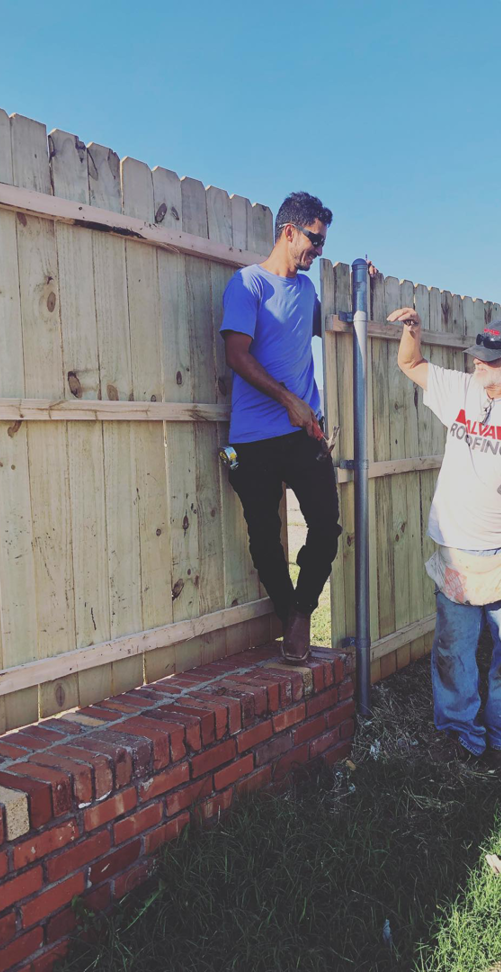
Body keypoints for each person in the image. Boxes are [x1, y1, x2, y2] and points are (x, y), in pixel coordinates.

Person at [390, 309, 501, 769]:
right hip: (458, 546)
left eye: (489, 360)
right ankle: (459, 737)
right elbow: (411, 366)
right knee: (453, 650)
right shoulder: (463, 390)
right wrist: (412, 333)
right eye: (476, 357)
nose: (478, 366)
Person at [219, 191, 339, 665]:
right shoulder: (246, 285)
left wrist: (310, 408)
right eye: (314, 239)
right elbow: (237, 354)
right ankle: (288, 612)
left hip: (301, 433)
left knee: (326, 527)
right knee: (264, 538)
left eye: (323, 242)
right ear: (289, 232)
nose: (318, 250)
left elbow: (311, 346)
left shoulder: (308, 291)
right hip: (253, 437)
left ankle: (303, 609)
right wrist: (287, 399)